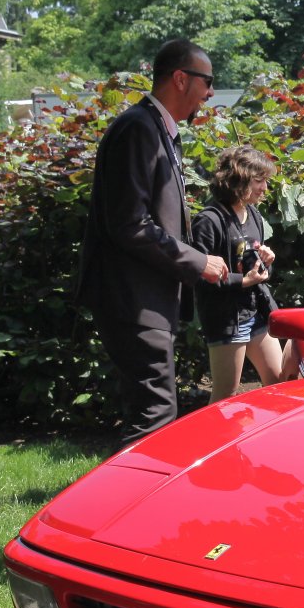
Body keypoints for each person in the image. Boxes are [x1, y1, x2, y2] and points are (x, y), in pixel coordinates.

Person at [76, 39, 228, 450]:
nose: (210, 93)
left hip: (143, 297)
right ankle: (133, 490)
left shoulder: (155, 129)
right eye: (207, 81)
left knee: (152, 411)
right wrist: (196, 261)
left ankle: (130, 488)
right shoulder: (138, 129)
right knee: (155, 415)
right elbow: (130, 225)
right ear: (180, 79)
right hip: (133, 297)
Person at [190, 145, 297, 401]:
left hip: (255, 311)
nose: (265, 188)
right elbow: (199, 276)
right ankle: (210, 430)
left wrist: (266, 262)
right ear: (239, 179)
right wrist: (243, 281)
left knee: (278, 383)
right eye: (259, 180)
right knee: (225, 394)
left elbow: (254, 269)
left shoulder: (254, 215)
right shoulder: (209, 221)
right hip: (227, 319)